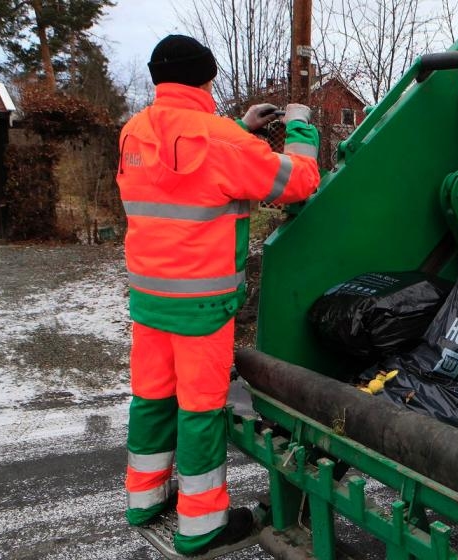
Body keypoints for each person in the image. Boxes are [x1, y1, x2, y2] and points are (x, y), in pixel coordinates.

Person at [116, 34, 321, 555]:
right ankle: (201, 524)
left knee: (153, 397)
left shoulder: (133, 132)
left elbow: (181, 158)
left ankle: (144, 497)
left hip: (148, 298)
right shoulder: (220, 143)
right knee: (200, 408)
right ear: (206, 78)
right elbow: (299, 181)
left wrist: (241, 126)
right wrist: (299, 127)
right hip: (201, 306)